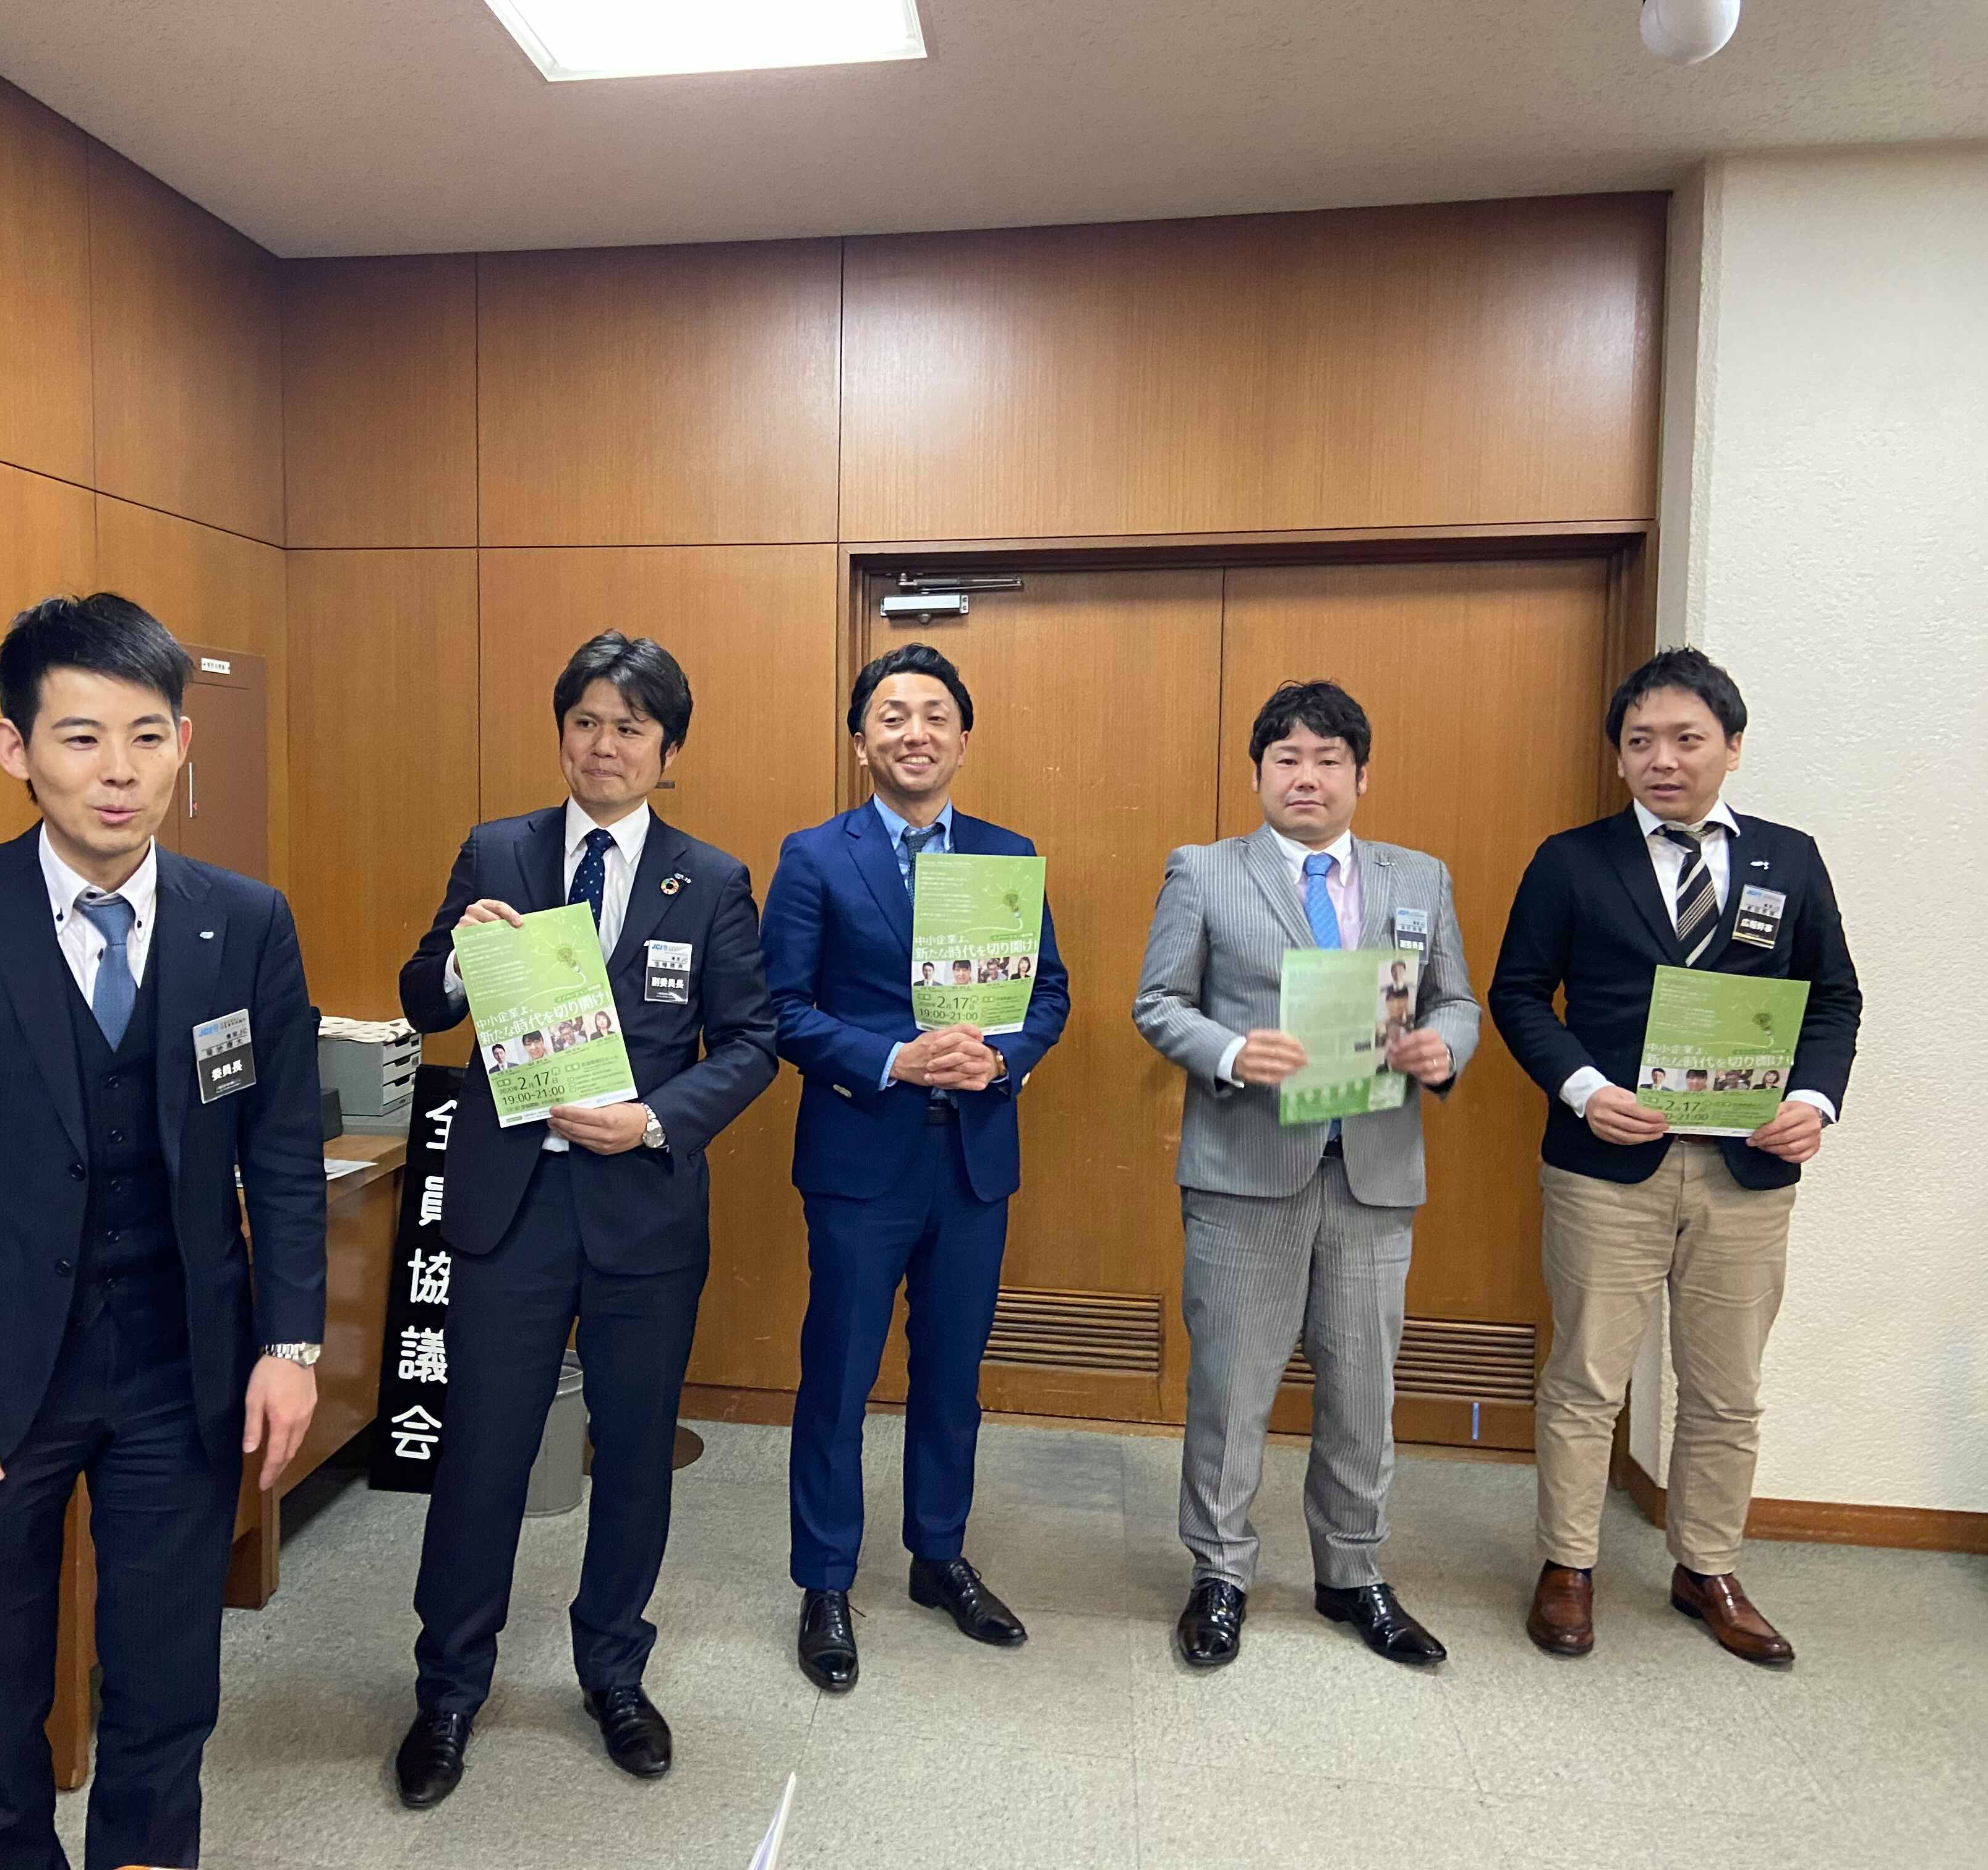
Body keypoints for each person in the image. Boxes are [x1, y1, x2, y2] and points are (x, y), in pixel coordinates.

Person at [0, 594, 326, 1870]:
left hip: (181, 1363)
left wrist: (291, 1344)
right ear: (15, 748)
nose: (119, 772)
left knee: (168, 1684)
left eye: (147, 736)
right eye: (80, 738)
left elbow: (283, 1151)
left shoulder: (246, 922)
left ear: (182, 747)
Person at [391, 633, 777, 1804]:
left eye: (631, 729)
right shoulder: (497, 848)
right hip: (510, 1206)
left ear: (670, 751)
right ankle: (448, 1689)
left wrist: (655, 1120)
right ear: (562, 733)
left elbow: (750, 1043)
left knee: (635, 1453)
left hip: (640, 1207)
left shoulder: (711, 880)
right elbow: (422, 996)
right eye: (586, 723)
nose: (605, 746)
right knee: (481, 1453)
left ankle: (614, 1669)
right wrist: (460, 965)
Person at [1492, 647, 1859, 1665]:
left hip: (1748, 1169)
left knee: (1727, 1387)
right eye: (1641, 741)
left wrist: (1813, 1101)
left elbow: (1834, 998)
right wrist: (1584, 1089)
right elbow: (1519, 994)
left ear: (1731, 748)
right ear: (1619, 756)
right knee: (1586, 1378)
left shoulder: (1791, 860)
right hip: (1605, 1164)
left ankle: (1708, 1566)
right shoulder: (1572, 860)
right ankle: (1568, 1563)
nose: (1664, 759)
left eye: (1688, 739)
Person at [1133, 681, 1480, 1670]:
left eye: (1329, 760)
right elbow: (1159, 1003)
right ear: (1258, 773)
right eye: (1287, 758)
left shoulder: (1420, 878)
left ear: (1362, 776)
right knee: (1231, 1390)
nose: (1307, 777)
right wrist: (1234, 1052)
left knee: (1364, 1391)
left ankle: (1353, 1572)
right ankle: (1220, 1573)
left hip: (1373, 1175)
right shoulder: (1206, 871)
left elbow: (1458, 1003)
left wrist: (1443, 1050)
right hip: (1246, 1172)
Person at [762, 643, 1071, 1695]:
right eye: (892, 715)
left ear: (964, 738)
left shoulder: (1005, 855)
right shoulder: (816, 856)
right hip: (862, 1154)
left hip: (974, 1158)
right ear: (862, 741)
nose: (915, 733)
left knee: (951, 1376)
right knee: (839, 1377)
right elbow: (782, 1009)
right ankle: (825, 1581)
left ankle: (939, 1556)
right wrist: (892, 1058)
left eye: (935, 715)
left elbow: (1049, 994)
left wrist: (1005, 1058)